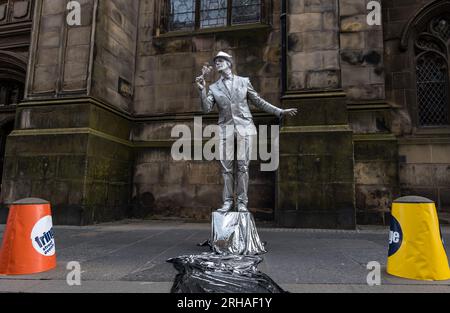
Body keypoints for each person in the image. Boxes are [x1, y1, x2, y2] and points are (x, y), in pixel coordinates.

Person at [196, 51, 298, 213]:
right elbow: (206, 109)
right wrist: (202, 90)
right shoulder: (214, 88)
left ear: (229, 63)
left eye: (221, 60)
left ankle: (242, 202)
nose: (218, 63)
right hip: (225, 129)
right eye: (216, 62)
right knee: (226, 169)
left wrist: (280, 111)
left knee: (243, 167)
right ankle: (228, 202)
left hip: (245, 128)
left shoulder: (244, 82)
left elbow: (258, 101)